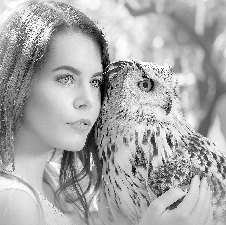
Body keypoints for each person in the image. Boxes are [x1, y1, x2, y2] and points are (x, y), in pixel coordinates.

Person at [0, 1, 213, 225]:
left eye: (95, 82)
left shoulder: (52, 181)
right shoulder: (14, 200)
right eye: (66, 78)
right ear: (17, 83)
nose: (88, 100)